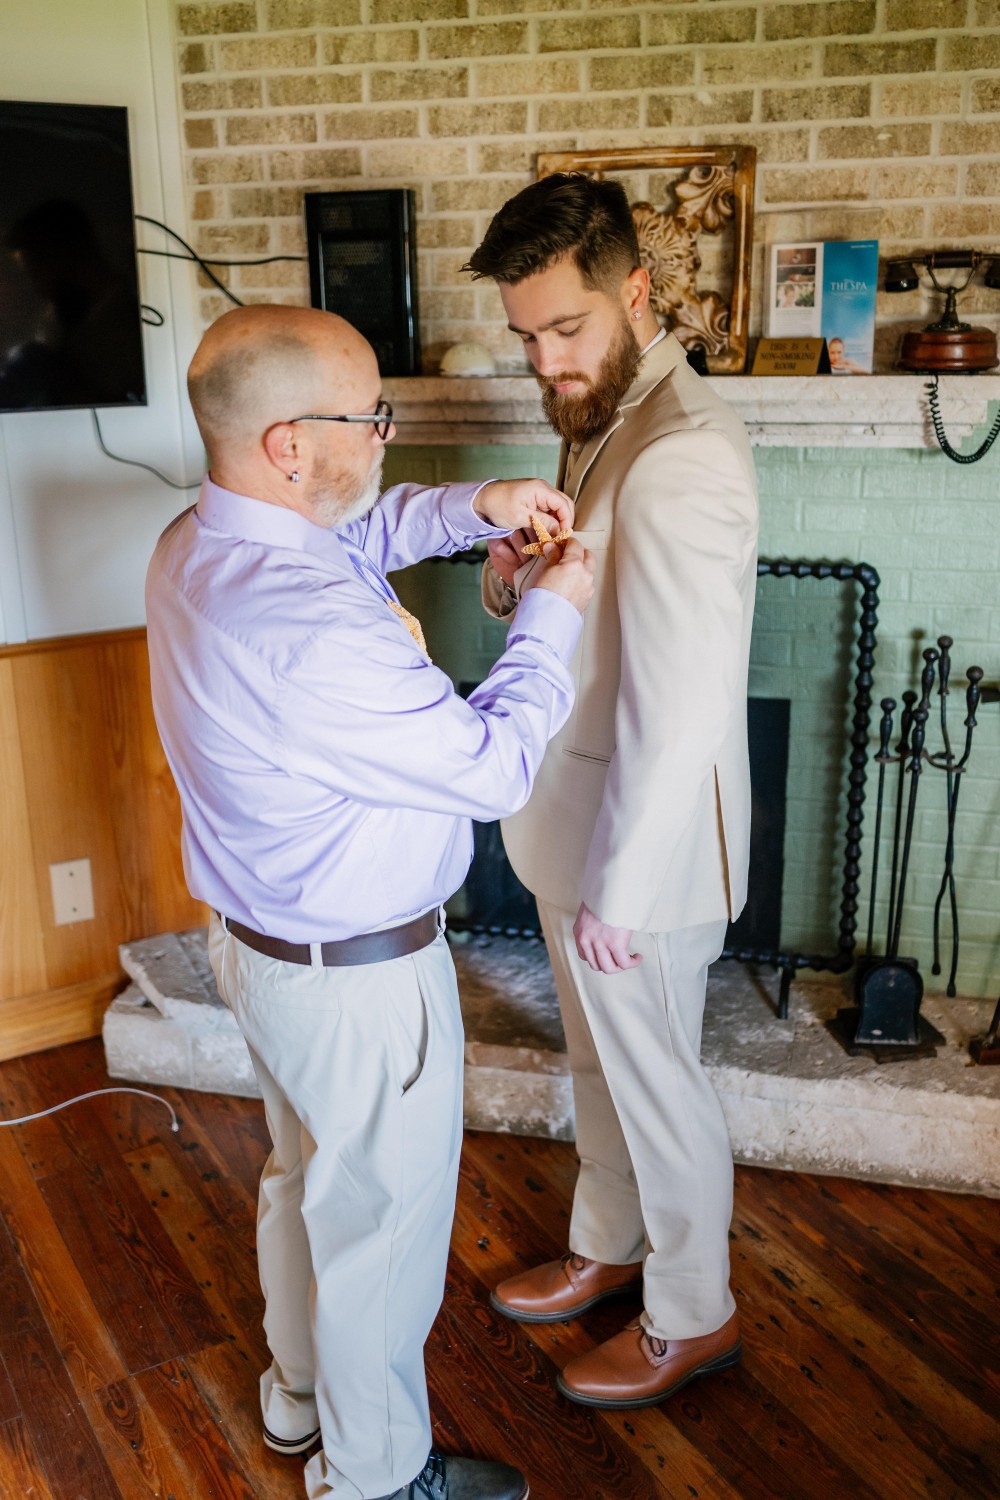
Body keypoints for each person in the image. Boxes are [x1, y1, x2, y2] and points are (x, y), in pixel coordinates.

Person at [145, 303, 595, 1500]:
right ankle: (379, 1480)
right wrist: (555, 611)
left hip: (264, 955)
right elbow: (496, 767)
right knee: (382, 1242)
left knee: (302, 1188)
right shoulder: (316, 631)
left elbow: (358, 532)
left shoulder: (201, 541)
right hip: (362, 984)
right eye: (372, 418)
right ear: (290, 442)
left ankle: (295, 1402)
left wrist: (474, 506)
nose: (389, 437)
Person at [466, 173, 759, 1409]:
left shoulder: (685, 450)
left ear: (635, 291)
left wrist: (623, 894)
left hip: (640, 855)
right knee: (596, 1071)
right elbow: (577, 603)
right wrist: (504, 573)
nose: (544, 358)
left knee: (658, 1084)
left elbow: (680, 702)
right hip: (569, 822)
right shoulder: (599, 408)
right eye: (525, 334)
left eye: (565, 328)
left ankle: (694, 1313)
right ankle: (608, 1247)